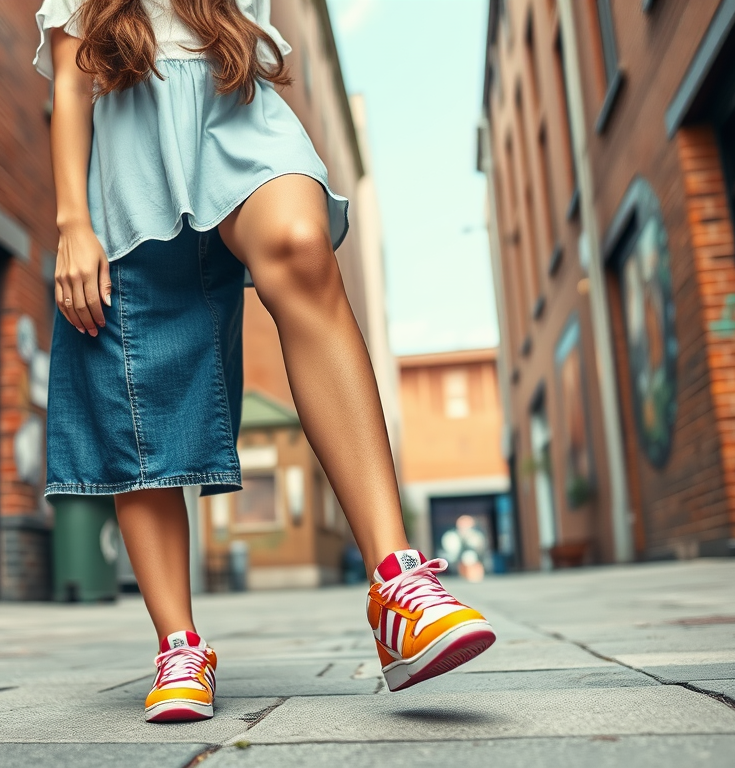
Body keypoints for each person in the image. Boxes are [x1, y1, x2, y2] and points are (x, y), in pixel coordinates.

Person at [33, 0, 495, 723]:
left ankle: (398, 585)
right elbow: (69, 76)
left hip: (236, 110)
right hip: (129, 136)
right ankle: (179, 644)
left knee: (301, 248)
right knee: (137, 379)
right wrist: (73, 223)